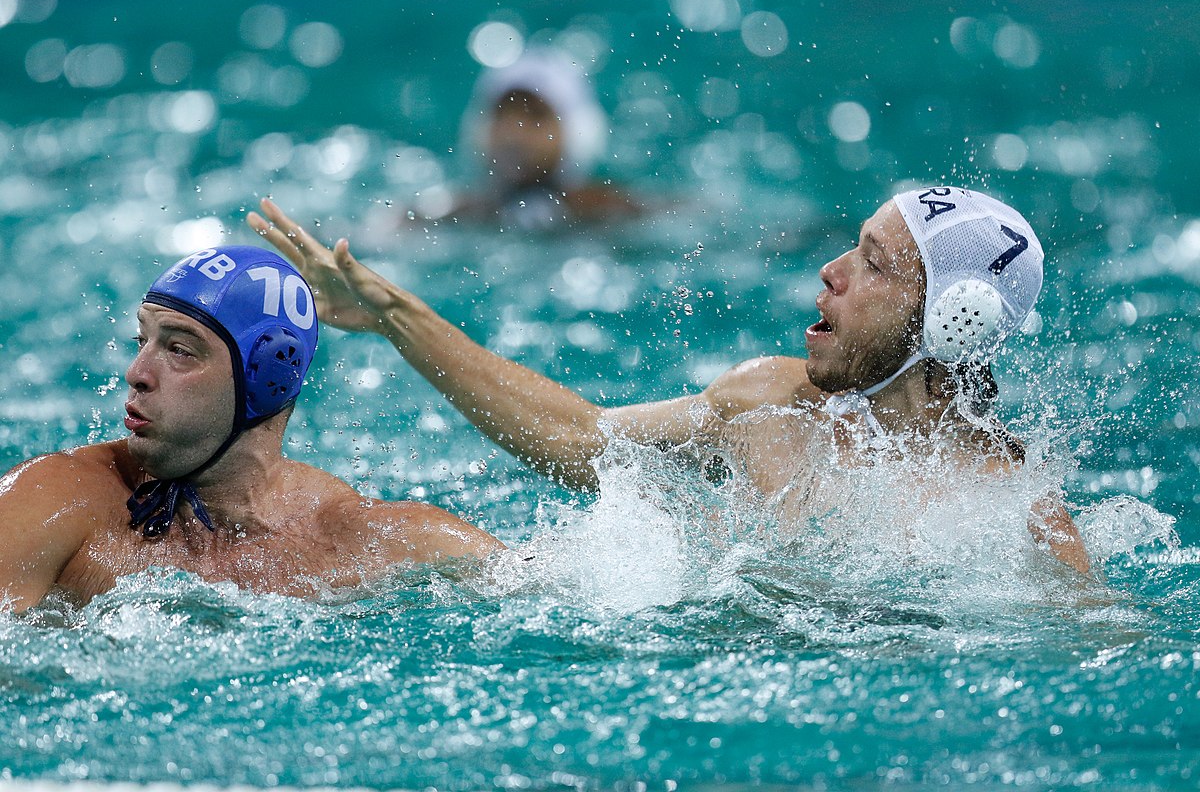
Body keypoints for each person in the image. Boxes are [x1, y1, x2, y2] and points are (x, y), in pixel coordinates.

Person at [247, 186, 1091, 574]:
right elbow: (580, 440)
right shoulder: (769, 402)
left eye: (872, 262)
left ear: (952, 322)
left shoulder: (1011, 515)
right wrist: (396, 313)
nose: (830, 271)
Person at [0, 245, 504, 614]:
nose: (136, 371)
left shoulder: (370, 543)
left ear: (266, 375)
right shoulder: (57, 498)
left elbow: (561, 603)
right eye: (142, 339)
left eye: (178, 349)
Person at [442, 49, 639, 229]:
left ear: (576, 130)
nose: (514, 133)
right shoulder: (454, 216)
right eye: (503, 116)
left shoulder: (620, 214)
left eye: (535, 117)